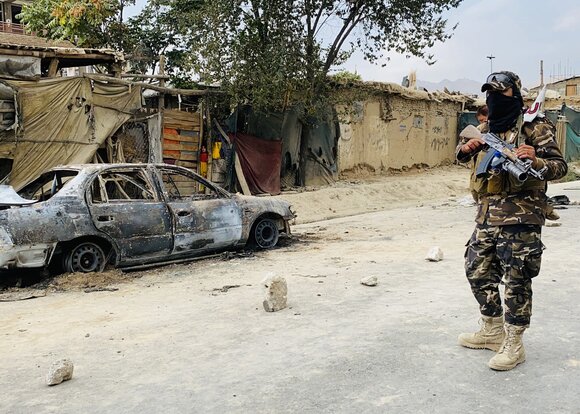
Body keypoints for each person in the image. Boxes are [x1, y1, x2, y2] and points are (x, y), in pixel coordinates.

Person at [456, 71, 567, 371]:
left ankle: (515, 342)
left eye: (500, 93)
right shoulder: (487, 127)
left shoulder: (535, 126)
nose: (493, 99)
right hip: (487, 214)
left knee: (517, 280)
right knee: (476, 270)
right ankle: (492, 330)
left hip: (522, 216)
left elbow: (560, 167)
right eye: (490, 93)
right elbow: (461, 155)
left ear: (515, 95)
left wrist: (537, 160)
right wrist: (465, 150)